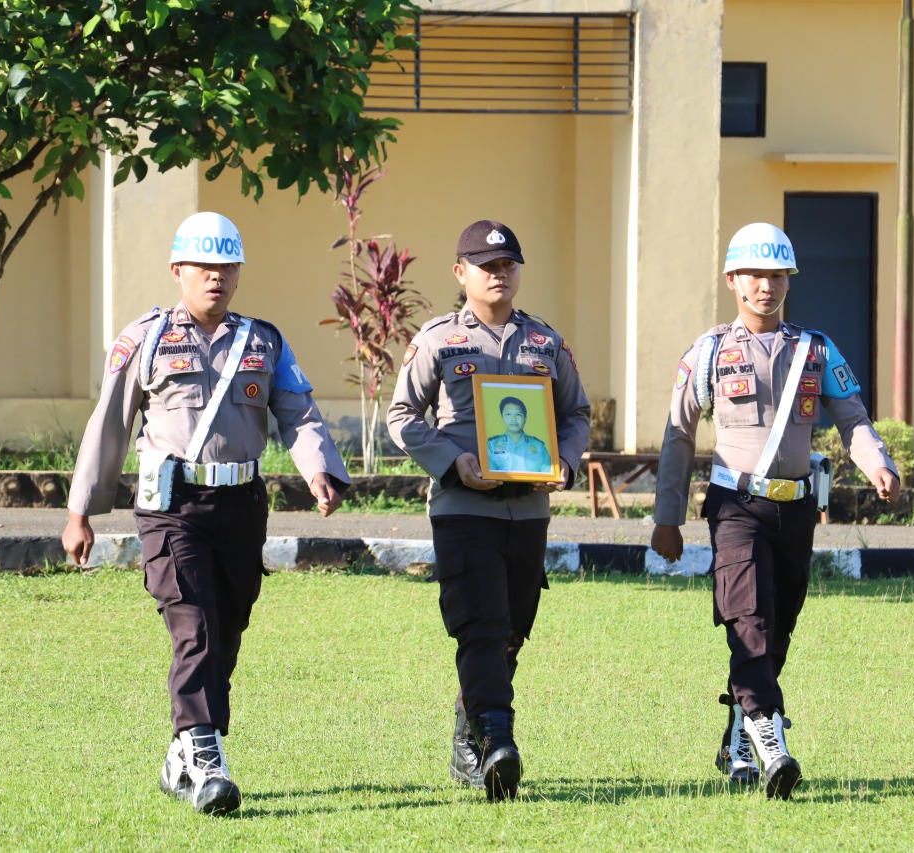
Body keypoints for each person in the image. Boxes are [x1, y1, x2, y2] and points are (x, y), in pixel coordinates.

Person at [61, 212, 350, 815]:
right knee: (190, 621)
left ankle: (183, 756)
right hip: (169, 504)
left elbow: (296, 411)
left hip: (242, 502)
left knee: (226, 628)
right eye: (204, 266)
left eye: (226, 266)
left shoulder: (263, 341)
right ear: (179, 271)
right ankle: (206, 759)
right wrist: (81, 510)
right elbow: (109, 424)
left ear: (239, 273)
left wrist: (319, 469)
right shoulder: (146, 339)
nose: (216, 276)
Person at [650, 222, 900, 800]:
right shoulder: (709, 350)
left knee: (778, 626)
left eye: (777, 274)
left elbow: (851, 417)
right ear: (733, 280)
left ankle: (739, 730)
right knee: (749, 619)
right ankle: (770, 735)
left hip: (796, 510)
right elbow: (678, 436)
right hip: (735, 504)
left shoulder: (816, 347)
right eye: (755, 275)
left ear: (789, 279)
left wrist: (876, 463)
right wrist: (668, 517)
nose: (766, 285)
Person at [387, 219, 591, 801]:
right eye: (486, 265)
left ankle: (467, 727)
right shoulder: (438, 341)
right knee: (481, 624)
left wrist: (567, 464)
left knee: (512, 632)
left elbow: (576, 414)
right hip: (462, 508)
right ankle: (499, 741)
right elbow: (403, 418)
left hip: (528, 512)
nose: (498, 274)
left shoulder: (545, 343)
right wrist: (453, 463)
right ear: (461, 273)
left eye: (507, 265)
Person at [485, 396, 553, 474]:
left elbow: (548, 475)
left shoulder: (538, 446)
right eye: (508, 414)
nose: (513, 418)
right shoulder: (492, 445)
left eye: (518, 414)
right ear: (502, 417)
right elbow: (490, 476)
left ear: (525, 418)